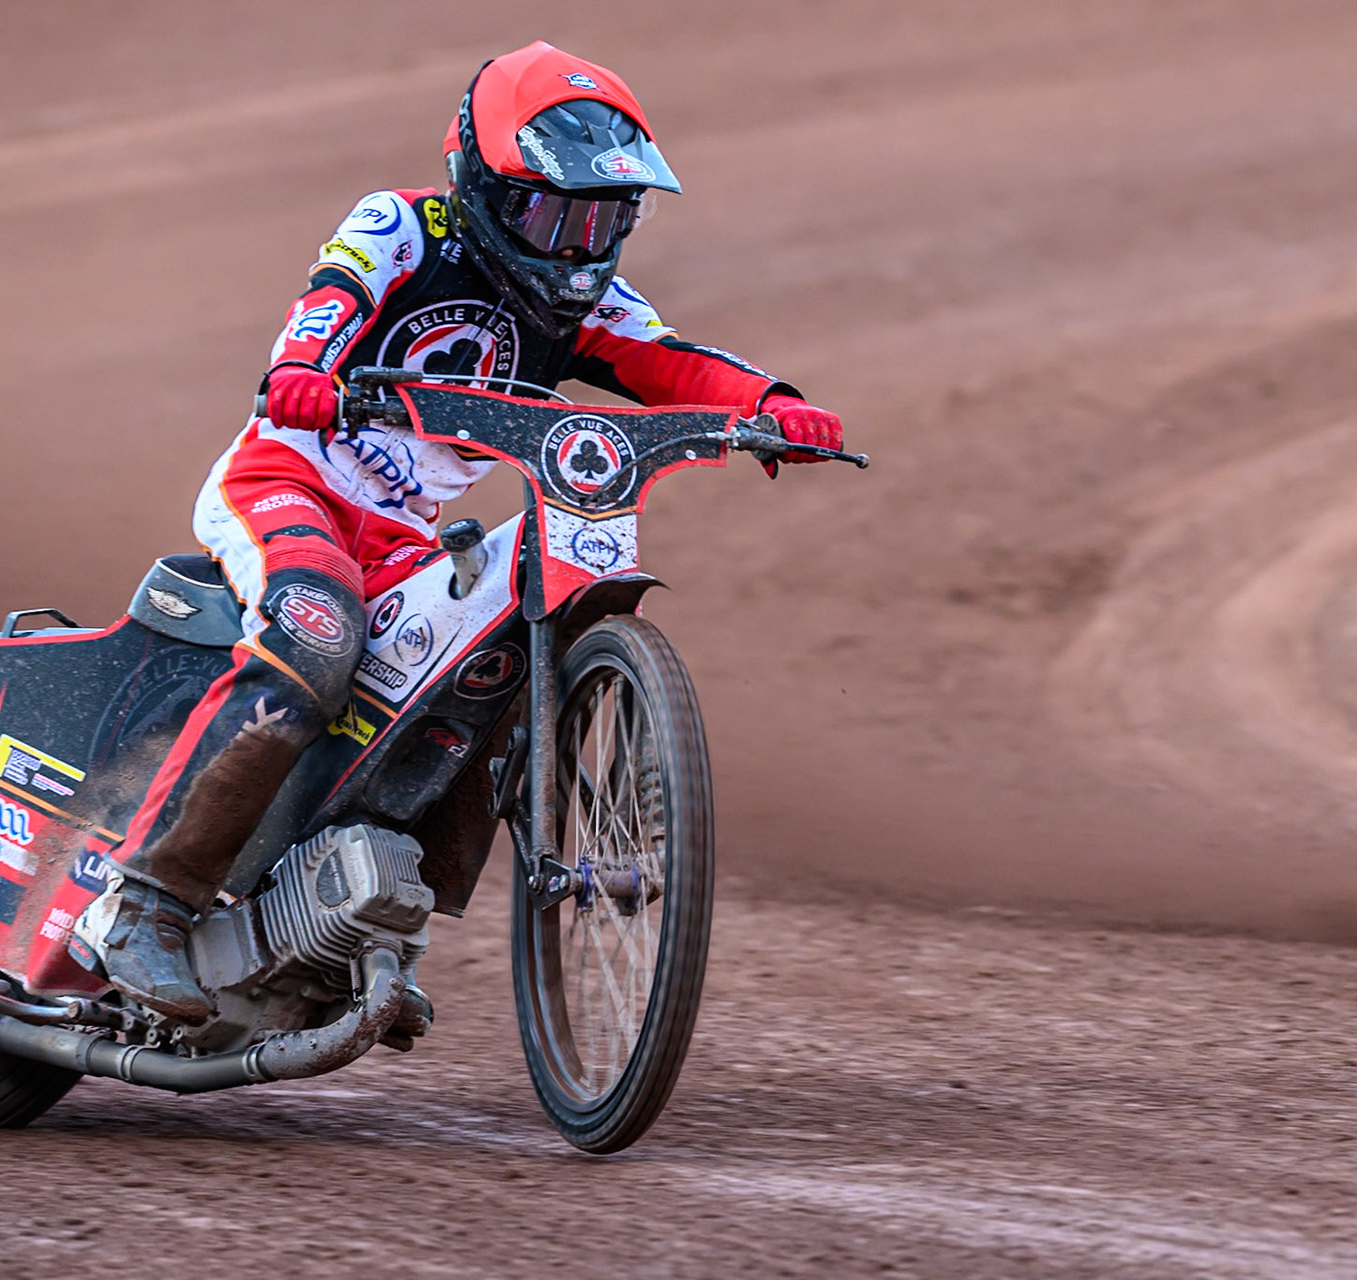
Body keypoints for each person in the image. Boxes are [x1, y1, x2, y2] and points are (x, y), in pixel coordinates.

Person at [97, 41, 846, 1020]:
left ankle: (353, 925)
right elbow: (335, 293)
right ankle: (146, 903)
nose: (577, 245)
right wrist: (305, 366)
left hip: (403, 532)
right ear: (485, 184)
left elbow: (673, 361)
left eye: (602, 221)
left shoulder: (581, 299)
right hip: (290, 478)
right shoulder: (402, 225)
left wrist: (768, 404)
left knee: (482, 662)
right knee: (319, 636)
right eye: (553, 212)